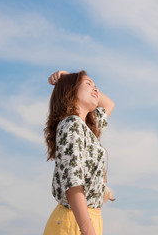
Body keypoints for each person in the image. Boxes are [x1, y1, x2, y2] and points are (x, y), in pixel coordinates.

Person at [43, 70, 115, 235]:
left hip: (87, 218)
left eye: (96, 86)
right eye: (88, 84)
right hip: (75, 221)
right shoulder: (72, 124)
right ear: (70, 91)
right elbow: (73, 181)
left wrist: (70, 77)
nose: (95, 89)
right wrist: (88, 229)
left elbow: (109, 104)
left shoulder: (87, 128)